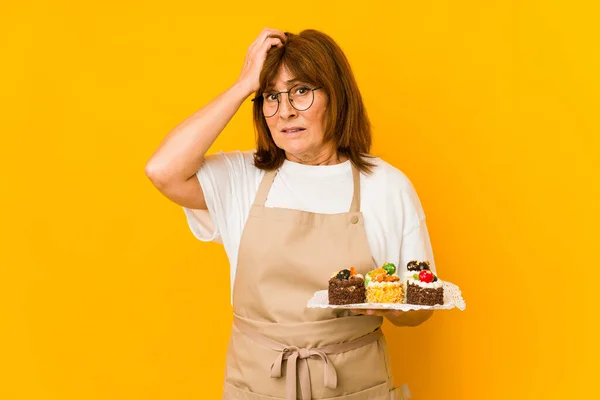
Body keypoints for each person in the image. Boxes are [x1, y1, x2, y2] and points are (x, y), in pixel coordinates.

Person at [146, 27, 437, 400]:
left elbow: (421, 307)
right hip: (257, 385)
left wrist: (395, 307)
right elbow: (162, 170)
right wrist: (242, 85)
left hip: (355, 387)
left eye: (301, 91)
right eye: (270, 96)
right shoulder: (242, 178)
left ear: (337, 95)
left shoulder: (387, 186)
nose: (284, 111)